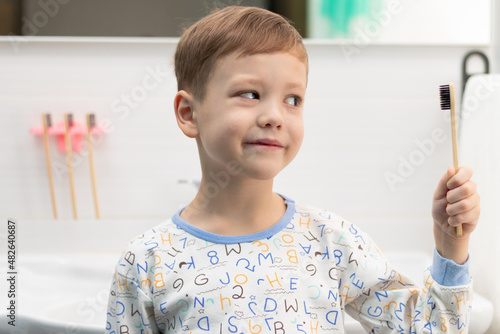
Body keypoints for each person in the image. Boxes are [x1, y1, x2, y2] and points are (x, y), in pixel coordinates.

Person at [106, 6, 480, 333]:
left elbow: (431, 329)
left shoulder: (333, 243)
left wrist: (451, 244)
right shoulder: (145, 261)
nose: (273, 116)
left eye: (293, 99)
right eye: (250, 94)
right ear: (189, 114)